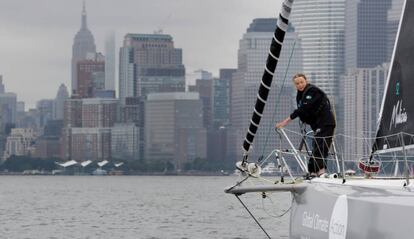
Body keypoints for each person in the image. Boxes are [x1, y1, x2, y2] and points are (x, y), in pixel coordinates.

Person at [275, 73, 336, 177]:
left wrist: (285, 122)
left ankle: (321, 171)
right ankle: (313, 171)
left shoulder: (312, 91)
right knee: (316, 146)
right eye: (297, 83)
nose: (300, 85)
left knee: (321, 146)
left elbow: (304, 108)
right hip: (317, 125)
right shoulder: (300, 95)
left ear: (306, 81)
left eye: (301, 82)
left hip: (326, 123)